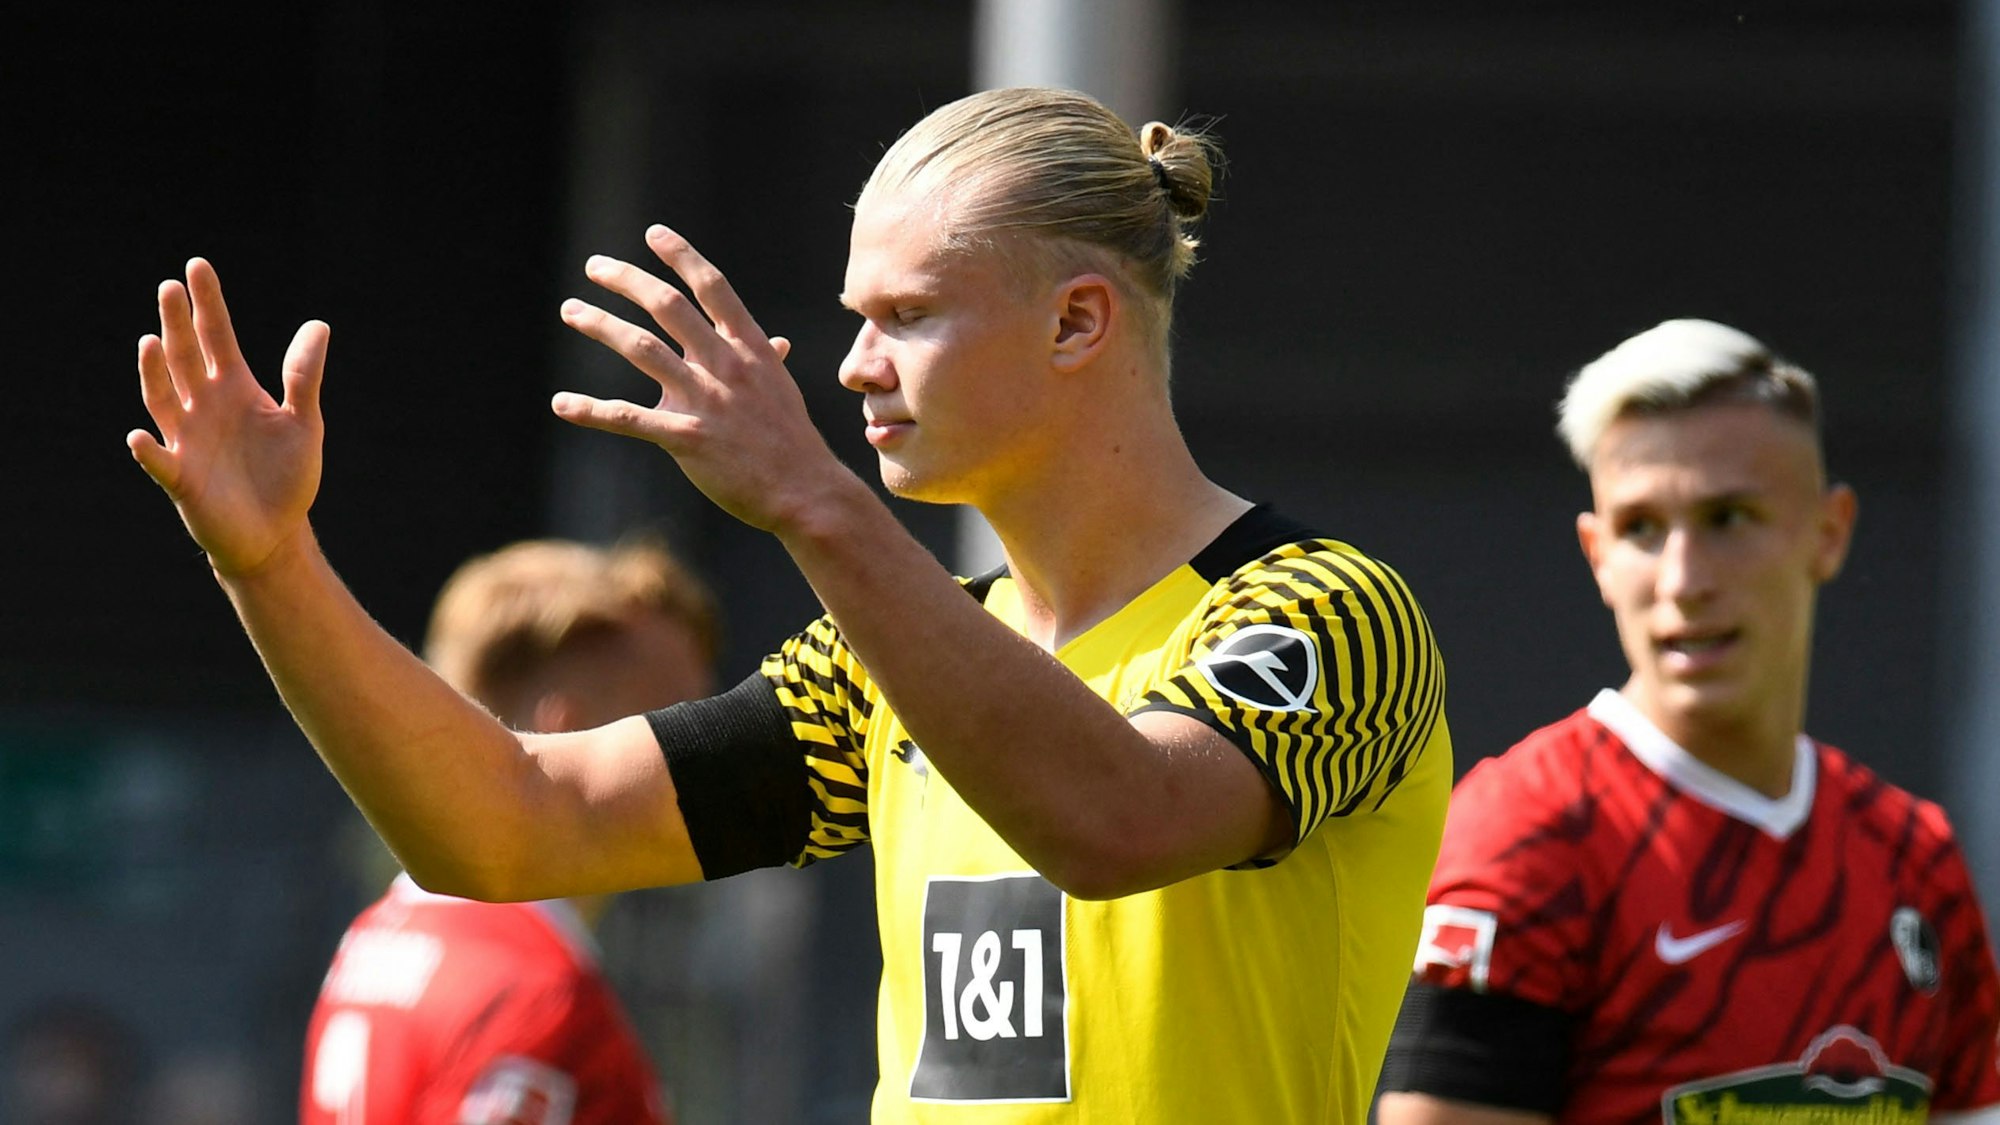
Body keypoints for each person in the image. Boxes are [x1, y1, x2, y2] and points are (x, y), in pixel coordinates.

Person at [126, 86, 1452, 1121]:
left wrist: (813, 502)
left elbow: (1117, 820)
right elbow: (511, 828)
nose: (857, 365)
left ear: (1076, 323)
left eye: (909, 315)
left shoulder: (1324, 611)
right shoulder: (891, 664)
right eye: (856, 315)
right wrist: (271, 565)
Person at [1376, 319, 2000, 1124]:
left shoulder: (1917, 862)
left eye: (1728, 517)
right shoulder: (1527, 837)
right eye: (1641, 528)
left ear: (1830, 531)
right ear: (1598, 556)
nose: (1682, 579)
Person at [300, 538, 711, 1124]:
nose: (709, 761)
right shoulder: (544, 997)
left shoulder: (380, 934)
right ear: (571, 732)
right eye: (676, 728)